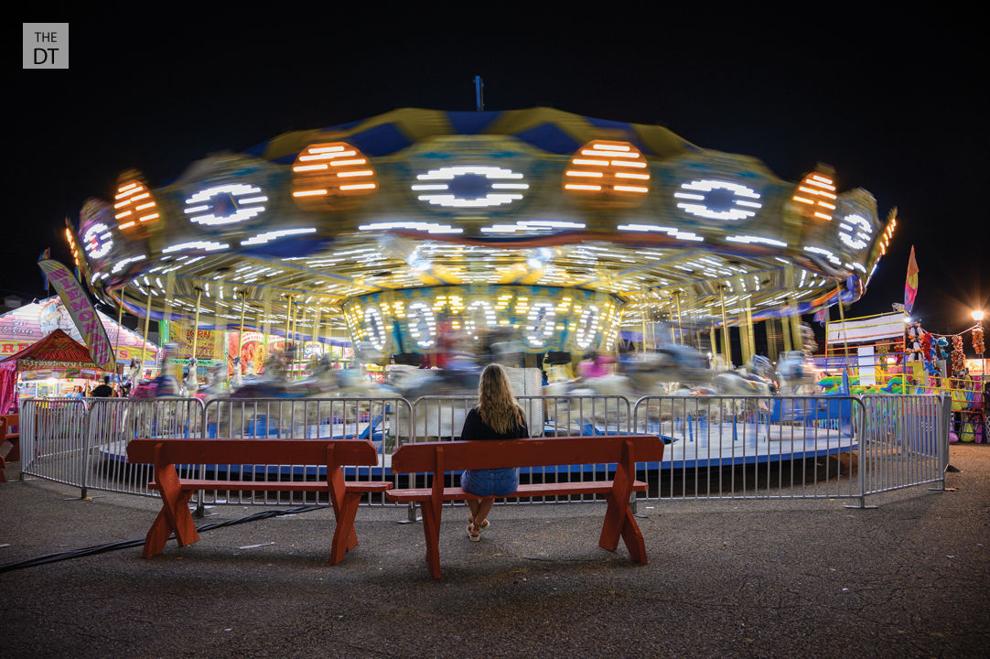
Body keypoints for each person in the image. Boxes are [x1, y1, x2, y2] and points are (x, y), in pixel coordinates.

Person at [459, 363, 529, 542]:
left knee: (467, 478)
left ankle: (476, 525)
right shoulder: (517, 413)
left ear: (483, 386)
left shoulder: (475, 415)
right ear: (505, 385)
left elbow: (463, 447)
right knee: (494, 482)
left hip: (477, 483)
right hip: (507, 482)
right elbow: (525, 445)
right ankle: (478, 521)